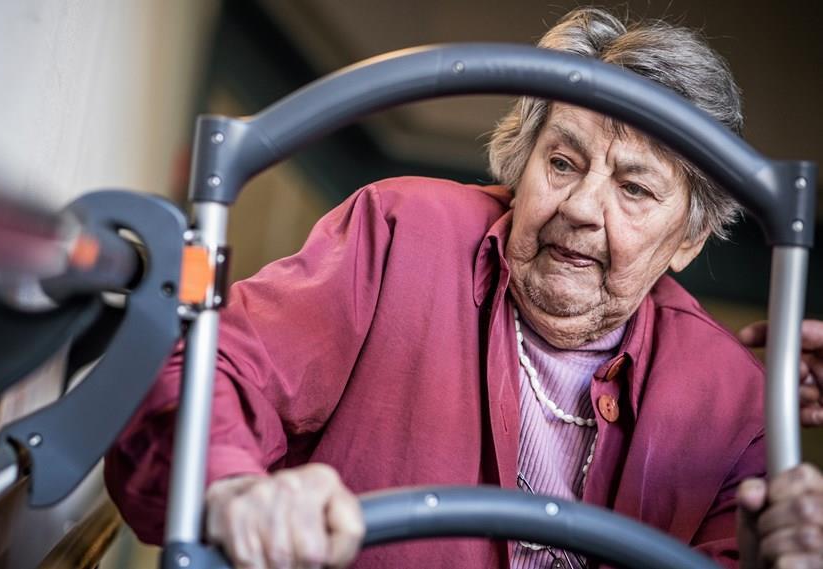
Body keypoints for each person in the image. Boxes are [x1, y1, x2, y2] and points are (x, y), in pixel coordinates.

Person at [105, 8, 823, 569]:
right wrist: (238, 490)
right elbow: (203, 371)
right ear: (522, 159)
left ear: (689, 240)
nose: (579, 208)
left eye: (634, 187)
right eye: (564, 162)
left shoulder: (733, 404)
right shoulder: (399, 231)